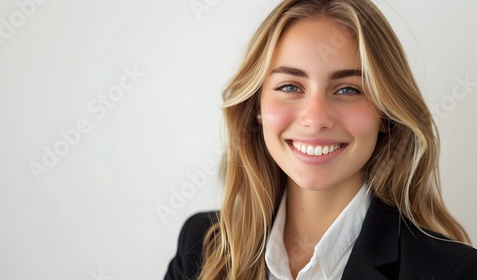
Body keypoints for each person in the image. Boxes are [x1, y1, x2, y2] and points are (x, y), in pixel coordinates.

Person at [165, 0, 477, 279]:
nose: (315, 119)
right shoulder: (201, 245)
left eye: (348, 89)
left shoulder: (452, 271)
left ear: (386, 114)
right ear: (255, 107)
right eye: (289, 86)